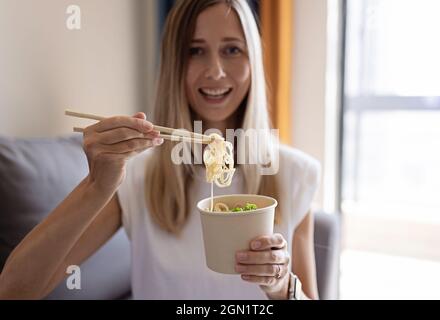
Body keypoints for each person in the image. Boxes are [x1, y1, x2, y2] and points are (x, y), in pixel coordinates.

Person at [0, 0, 321, 300]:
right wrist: (96, 185)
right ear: (174, 64)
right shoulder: (138, 175)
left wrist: (281, 286)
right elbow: (13, 289)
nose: (215, 71)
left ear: (253, 60)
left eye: (232, 49)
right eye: (195, 51)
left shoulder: (294, 174)